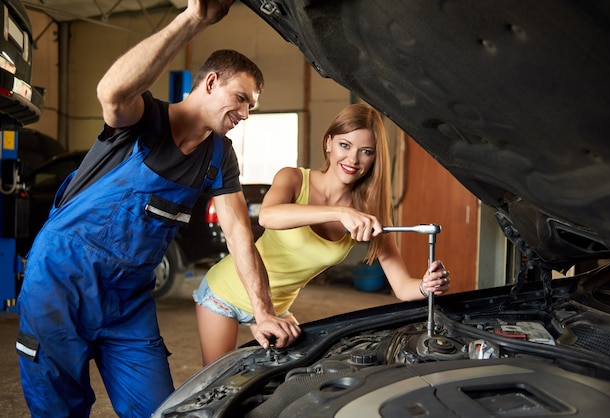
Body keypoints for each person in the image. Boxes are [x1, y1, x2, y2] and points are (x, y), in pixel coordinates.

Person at [15, 1, 299, 416]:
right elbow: (110, 91)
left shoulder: (219, 156)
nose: (244, 114)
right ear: (211, 82)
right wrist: (193, 18)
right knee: (59, 409)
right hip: (60, 284)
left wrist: (263, 313)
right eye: (241, 99)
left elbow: (239, 234)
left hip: (128, 301)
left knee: (159, 409)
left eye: (251, 106)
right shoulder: (143, 118)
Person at [194, 103, 452, 365]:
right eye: (345, 145)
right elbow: (268, 216)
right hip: (226, 293)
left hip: (276, 309)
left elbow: (401, 287)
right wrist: (339, 212)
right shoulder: (294, 179)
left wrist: (425, 285)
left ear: (375, 158)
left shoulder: (367, 214)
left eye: (366, 152)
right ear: (328, 143)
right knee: (214, 382)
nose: (353, 159)